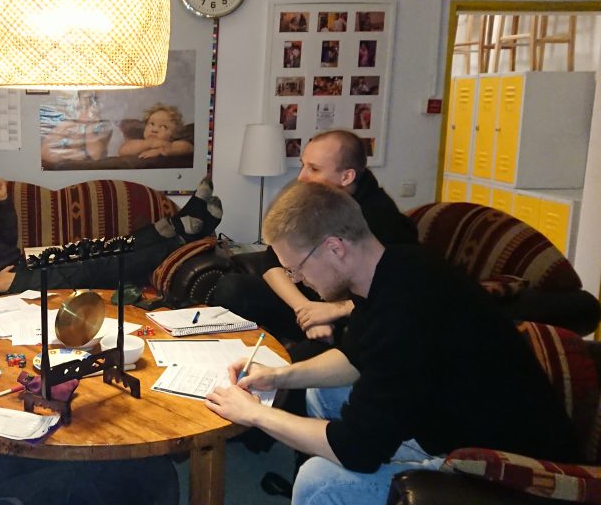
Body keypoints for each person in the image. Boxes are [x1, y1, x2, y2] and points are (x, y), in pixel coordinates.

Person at [205, 181, 576, 505]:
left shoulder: (404, 310)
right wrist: (280, 376)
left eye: (296, 268)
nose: (297, 280)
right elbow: (354, 358)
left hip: (502, 467)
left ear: (334, 247)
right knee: (322, 393)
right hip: (448, 417)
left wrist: (254, 414)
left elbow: (357, 449)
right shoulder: (396, 266)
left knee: (320, 481)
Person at [0, 143, 221, 298]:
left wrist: (3, 200)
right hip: (5, 281)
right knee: (95, 264)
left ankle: (178, 224)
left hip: (23, 261)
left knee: (95, 248)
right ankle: (184, 236)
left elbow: (6, 238)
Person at [210, 130, 416, 350]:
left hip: (347, 318)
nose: (301, 177)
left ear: (346, 177)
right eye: (303, 165)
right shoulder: (313, 199)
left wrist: (330, 312)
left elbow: (394, 295)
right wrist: (305, 309)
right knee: (231, 287)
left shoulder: (383, 220)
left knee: (299, 359)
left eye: (314, 169)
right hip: (307, 304)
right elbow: (272, 260)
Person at [40, 90, 113, 165]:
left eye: (89, 108)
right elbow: (45, 155)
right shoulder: (64, 125)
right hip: (64, 169)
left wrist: (89, 130)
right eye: (80, 108)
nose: (83, 113)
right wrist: (63, 126)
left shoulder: (102, 126)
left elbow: (97, 157)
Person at [117, 104, 193, 160]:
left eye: (163, 127)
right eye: (151, 124)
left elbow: (188, 147)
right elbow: (123, 150)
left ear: (174, 134)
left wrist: (161, 151)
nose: (154, 130)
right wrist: (151, 144)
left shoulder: (172, 144)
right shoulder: (140, 143)